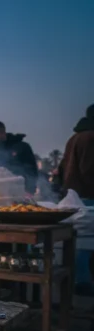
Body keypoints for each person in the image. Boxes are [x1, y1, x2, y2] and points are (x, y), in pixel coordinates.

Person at [60, 103, 94, 294]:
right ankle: (82, 281)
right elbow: (89, 170)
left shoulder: (74, 138)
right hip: (88, 196)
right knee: (87, 241)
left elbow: (64, 167)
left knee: (80, 239)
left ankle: (80, 279)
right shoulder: (90, 138)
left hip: (74, 195)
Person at [0, 120, 39, 195]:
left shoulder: (22, 147)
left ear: (2, 133)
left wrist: (30, 190)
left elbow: (32, 170)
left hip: (20, 192)